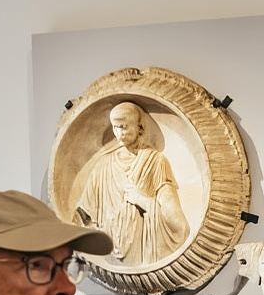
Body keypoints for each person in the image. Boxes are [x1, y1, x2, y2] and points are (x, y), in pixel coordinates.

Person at [74, 101, 190, 265]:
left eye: (124, 127)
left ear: (140, 127)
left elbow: (178, 224)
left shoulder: (155, 162)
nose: (119, 133)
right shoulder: (103, 165)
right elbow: (83, 214)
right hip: (108, 252)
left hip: (142, 251)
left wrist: (143, 201)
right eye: (115, 127)